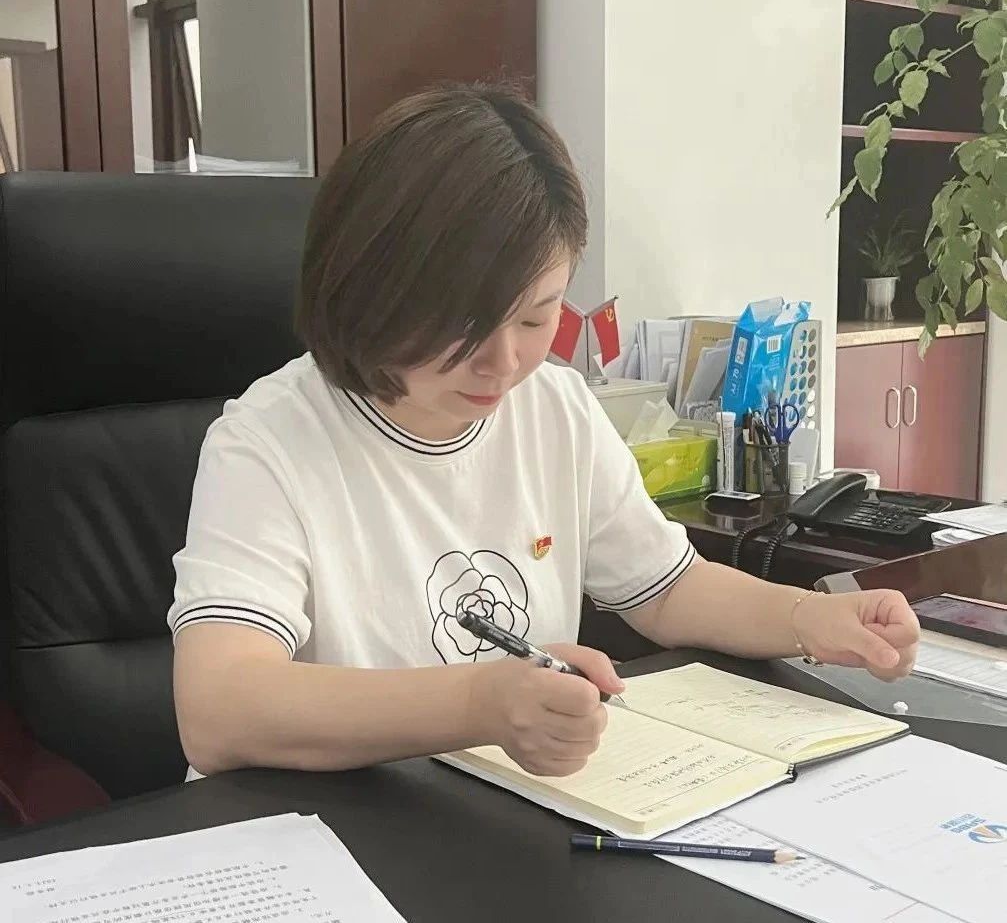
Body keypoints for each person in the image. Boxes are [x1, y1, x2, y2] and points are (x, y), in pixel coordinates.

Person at [169, 83, 920, 782]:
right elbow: (219, 710)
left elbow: (669, 590)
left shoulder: (554, 404)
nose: (503, 363)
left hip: (502, 809)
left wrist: (808, 617)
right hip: (327, 829)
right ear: (372, 288)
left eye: (535, 318)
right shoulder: (269, 441)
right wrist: (479, 703)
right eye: (464, 324)